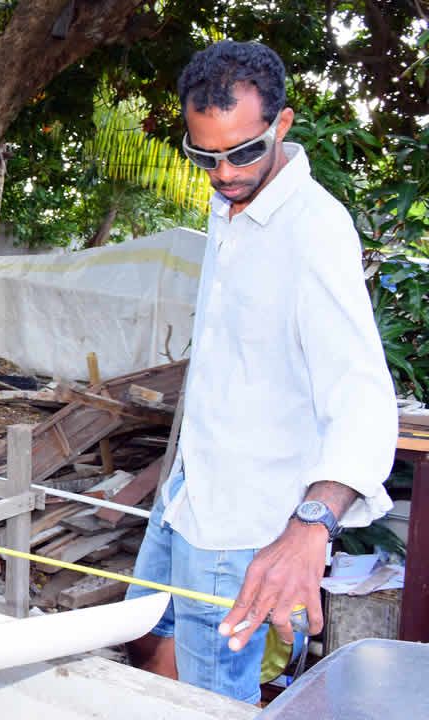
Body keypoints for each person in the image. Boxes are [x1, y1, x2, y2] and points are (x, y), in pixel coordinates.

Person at [124, 40, 397, 703]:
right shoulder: (231, 203)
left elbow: (362, 395)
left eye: (243, 151)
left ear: (282, 124)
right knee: (141, 643)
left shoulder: (314, 232)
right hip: (189, 496)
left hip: (243, 526)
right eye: (204, 155)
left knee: (213, 697)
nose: (223, 173)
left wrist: (309, 527)